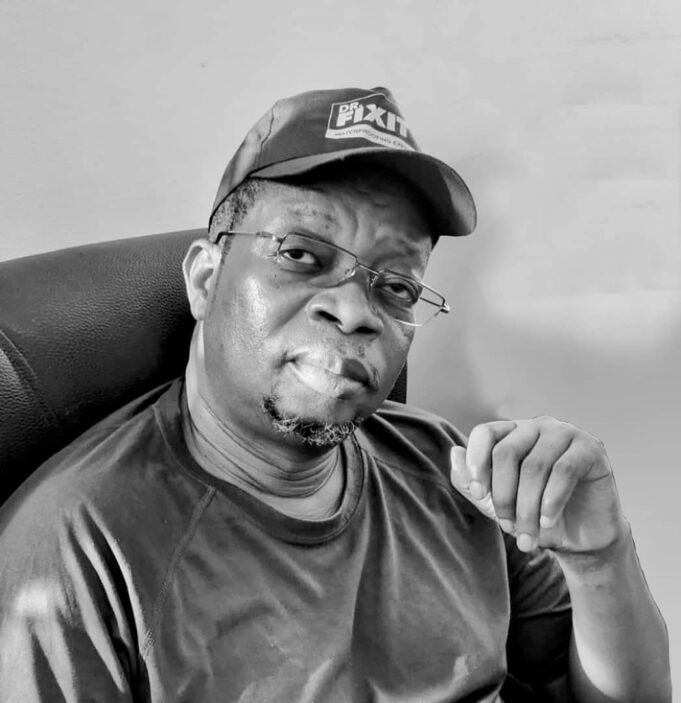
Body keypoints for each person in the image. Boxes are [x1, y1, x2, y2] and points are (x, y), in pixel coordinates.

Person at [0, 86, 671, 703]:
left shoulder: (448, 469)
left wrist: (599, 556)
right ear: (205, 278)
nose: (354, 311)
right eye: (300, 254)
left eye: (397, 286)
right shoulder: (75, 553)